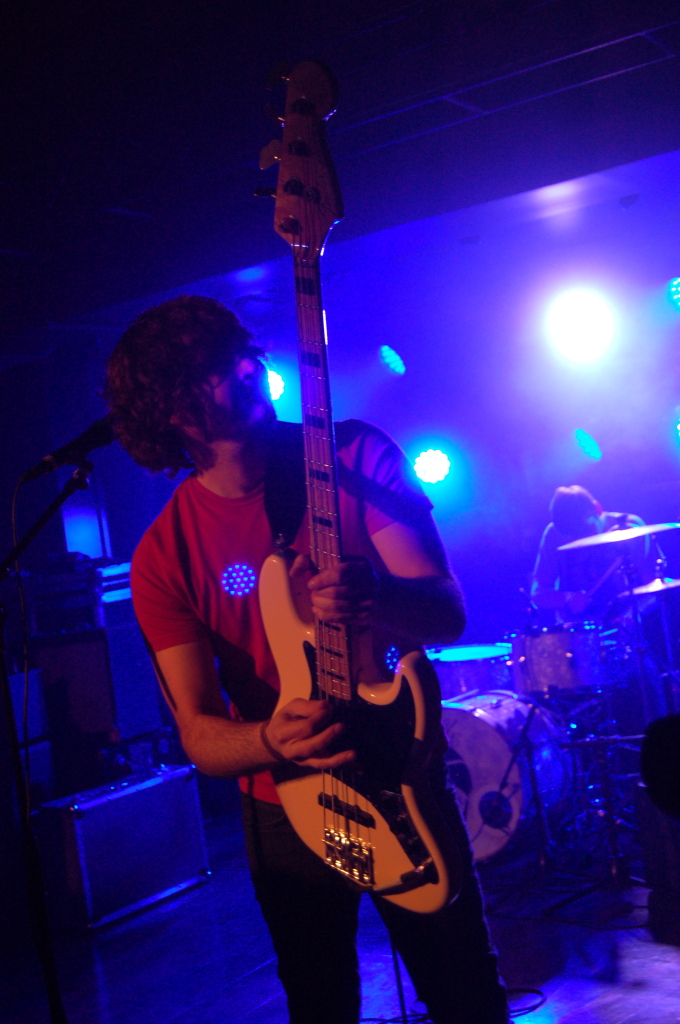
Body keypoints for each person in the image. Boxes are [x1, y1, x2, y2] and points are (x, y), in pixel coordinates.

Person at [104, 295, 508, 1024]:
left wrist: (376, 595)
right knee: (322, 1007)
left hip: (400, 768)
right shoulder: (163, 555)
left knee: (466, 996)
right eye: (212, 367)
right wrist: (269, 738)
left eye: (238, 350)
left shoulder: (354, 455)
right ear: (171, 410)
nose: (244, 368)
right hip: (286, 808)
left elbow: (447, 612)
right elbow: (197, 732)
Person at [531, 485, 657, 624]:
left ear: (598, 508)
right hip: (578, 628)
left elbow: (654, 586)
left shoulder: (630, 529)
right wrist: (567, 598)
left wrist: (632, 615)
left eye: (586, 530)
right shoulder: (554, 534)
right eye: (572, 536)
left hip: (624, 624)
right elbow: (538, 594)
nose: (581, 539)